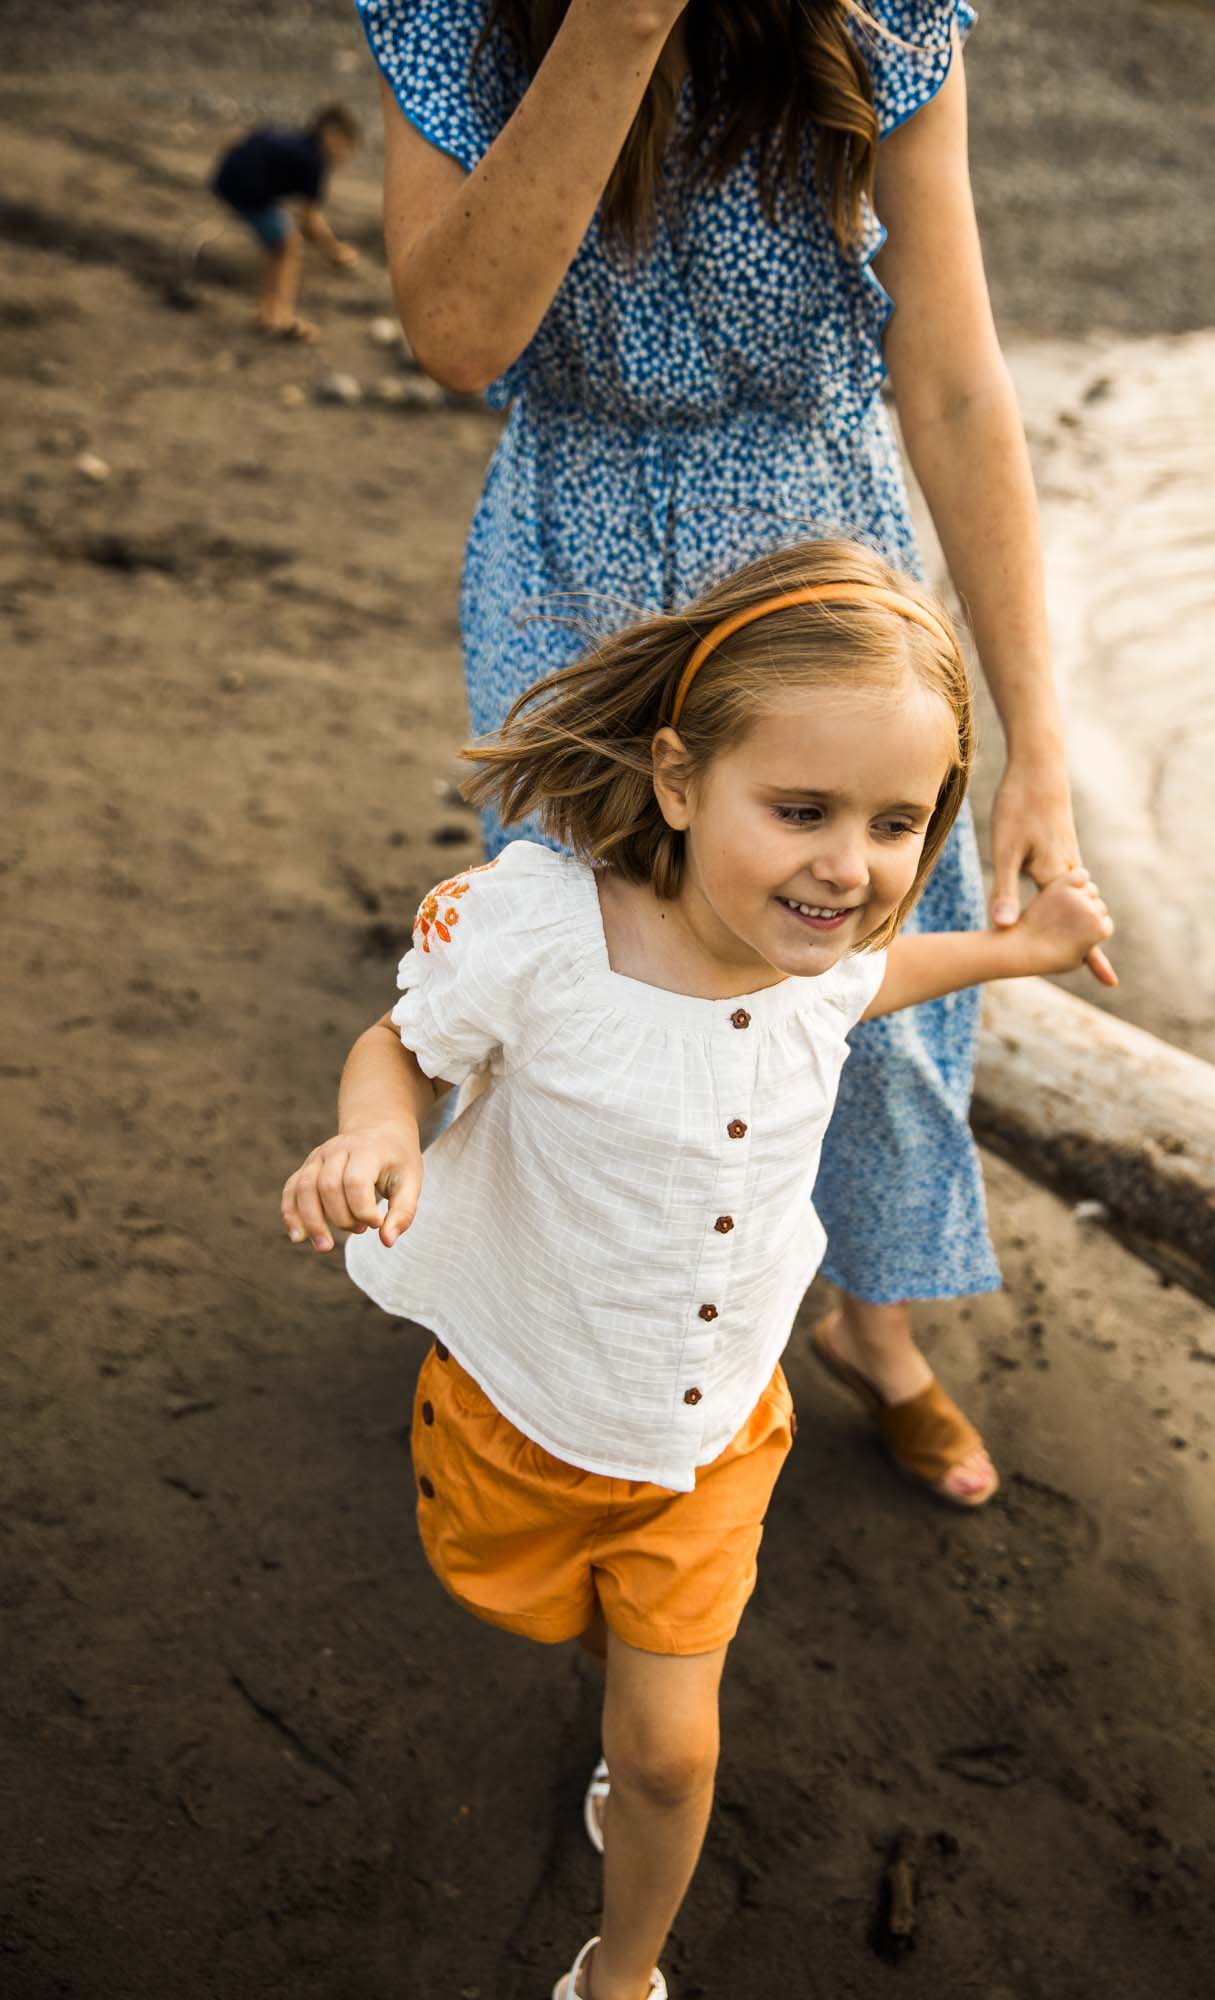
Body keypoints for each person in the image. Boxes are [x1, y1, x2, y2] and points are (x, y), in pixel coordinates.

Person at [280, 540, 1114, 2000]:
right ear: (676, 780)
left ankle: (623, 1969)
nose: (848, 866)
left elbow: (884, 977)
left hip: (710, 1436)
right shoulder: (544, 932)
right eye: (799, 810)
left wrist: (1016, 945)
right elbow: (406, 1047)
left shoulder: (819, 953)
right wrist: (373, 1135)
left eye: (896, 822)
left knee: (670, 1747)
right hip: (519, 1406)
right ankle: (607, 1696)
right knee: (526, 1611)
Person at [358, 0, 1115, 1508]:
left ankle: (869, 1329)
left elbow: (956, 384)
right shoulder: (450, 20)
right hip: (576, 565)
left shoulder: (886, 19)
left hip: (823, 544)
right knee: (587, 970)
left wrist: (1039, 740)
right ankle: (555, 1338)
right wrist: (623, 20)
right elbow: (456, 338)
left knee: (865, 985)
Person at [210, 102, 362, 339]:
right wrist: (336, 251)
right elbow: (310, 219)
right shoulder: (314, 162)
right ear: (330, 134)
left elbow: (248, 136)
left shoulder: (297, 142)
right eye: (345, 147)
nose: (344, 156)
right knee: (290, 245)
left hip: (228, 179)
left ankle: (267, 311)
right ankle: (281, 316)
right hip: (243, 190)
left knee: (280, 246)